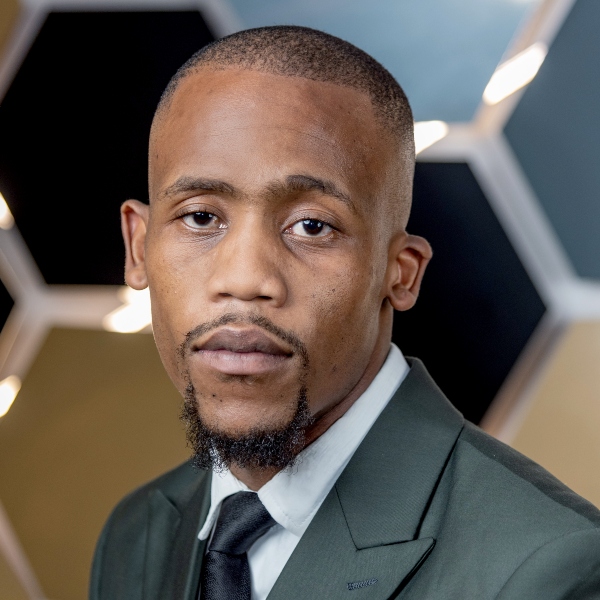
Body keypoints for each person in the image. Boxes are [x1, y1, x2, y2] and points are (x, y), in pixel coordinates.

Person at [90, 26, 600, 600]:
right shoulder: (135, 535)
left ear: (400, 273)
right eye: (201, 217)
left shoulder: (551, 570)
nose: (244, 279)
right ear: (139, 248)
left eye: (312, 226)